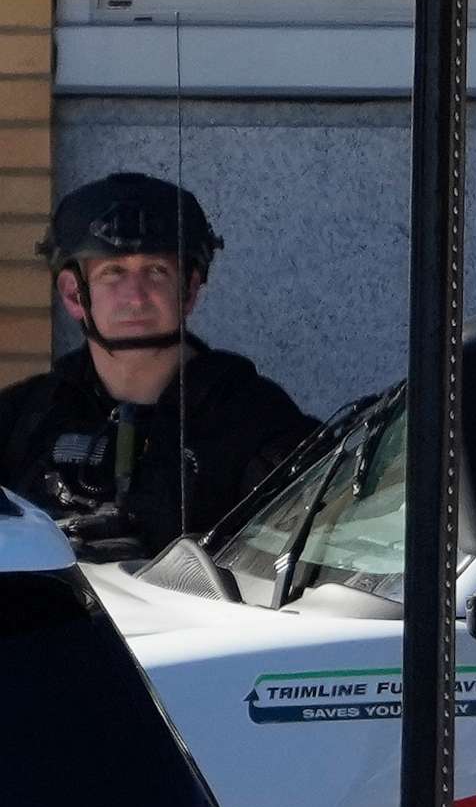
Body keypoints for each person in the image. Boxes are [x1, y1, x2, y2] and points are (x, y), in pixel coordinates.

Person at [0, 173, 315, 560]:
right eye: (112, 273)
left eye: (156, 271)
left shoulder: (252, 420)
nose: (135, 297)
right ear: (74, 295)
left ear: (190, 290)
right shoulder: (23, 418)